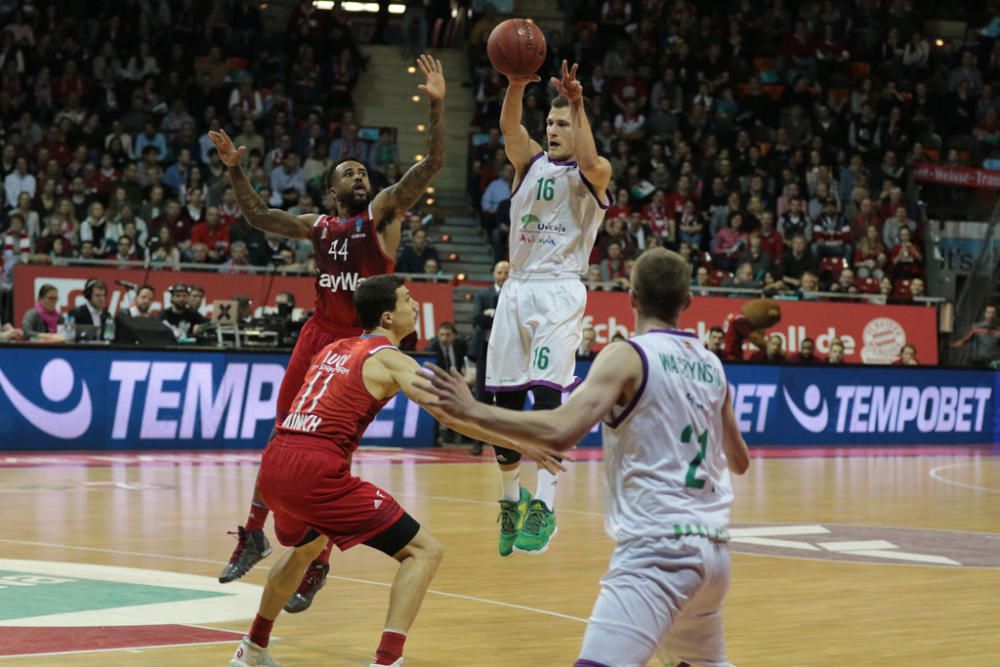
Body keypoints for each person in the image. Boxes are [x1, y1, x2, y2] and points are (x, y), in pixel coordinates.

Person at [419, 248, 749, 667]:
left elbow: (560, 432)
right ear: (687, 303)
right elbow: (739, 461)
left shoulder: (629, 355)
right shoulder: (711, 365)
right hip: (715, 551)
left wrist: (472, 410)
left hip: (659, 547)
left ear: (632, 298)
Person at [227, 275, 561, 667]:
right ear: (387, 317)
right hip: (313, 468)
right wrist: (521, 444)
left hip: (275, 460)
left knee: (308, 547)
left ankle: (252, 648)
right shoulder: (389, 358)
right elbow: (448, 414)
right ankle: (387, 661)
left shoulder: (334, 348)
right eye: (407, 299)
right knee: (424, 552)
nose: (415, 303)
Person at [213, 54, 447, 612]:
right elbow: (259, 218)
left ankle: (316, 560)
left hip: (361, 345)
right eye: (348, 172)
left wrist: (437, 106)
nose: (360, 174)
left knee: (329, 458)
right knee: (283, 437)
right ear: (331, 190)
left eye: (363, 170)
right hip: (319, 335)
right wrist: (235, 170)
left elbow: (432, 165)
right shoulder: (318, 226)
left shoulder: (383, 214)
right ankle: (255, 532)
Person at [483, 60, 614, 556]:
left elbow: (593, 160)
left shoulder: (595, 173)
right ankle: (510, 503)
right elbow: (509, 127)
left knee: (545, 398)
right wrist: (516, 84)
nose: (554, 131)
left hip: (560, 289)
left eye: (563, 124)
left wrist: (578, 104)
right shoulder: (528, 163)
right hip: (516, 289)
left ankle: (545, 504)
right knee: (506, 408)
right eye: (552, 124)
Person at [951, 304, 1000, 368]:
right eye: (989, 312)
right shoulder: (975, 328)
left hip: (994, 363)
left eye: (993, 313)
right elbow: (964, 341)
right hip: (978, 362)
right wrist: (950, 345)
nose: (991, 315)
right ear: (985, 314)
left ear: (996, 314)